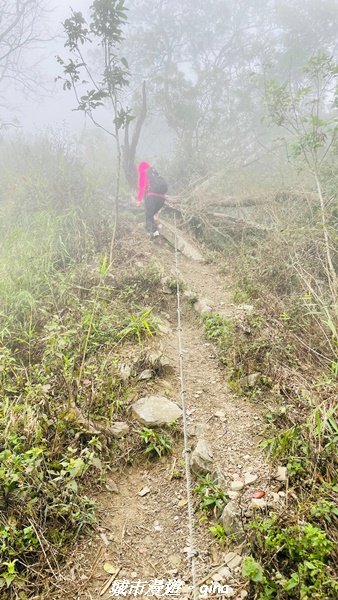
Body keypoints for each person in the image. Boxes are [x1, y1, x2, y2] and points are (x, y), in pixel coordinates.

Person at [137, 162, 168, 236]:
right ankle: (155, 230)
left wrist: (138, 200)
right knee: (151, 215)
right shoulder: (156, 173)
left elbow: (142, 189)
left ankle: (152, 233)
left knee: (148, 215)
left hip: (151, 197)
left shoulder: (143, 174)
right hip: (161, 199)